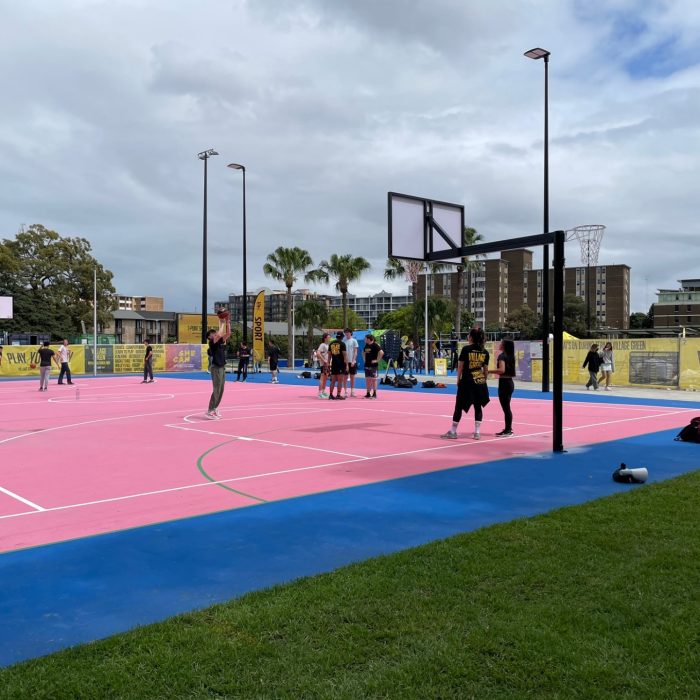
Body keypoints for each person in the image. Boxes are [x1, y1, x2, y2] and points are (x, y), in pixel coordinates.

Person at [441, 327, 490, 440]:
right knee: (478, 407)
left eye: (469, 335)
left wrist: (458, 379)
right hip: (479, 381)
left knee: (459, 406)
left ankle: (453, 431)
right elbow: (486, 370)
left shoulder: (466, 349)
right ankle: (477, 432)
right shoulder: (485, 352)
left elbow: (460, 366)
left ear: (471, 337)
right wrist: (484, 380)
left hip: (467, 381)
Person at [487, 339, 516, 436]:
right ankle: (508, 428)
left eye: (502, 343)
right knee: (507, 407)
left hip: (504, 383)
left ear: (504, 346)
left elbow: (502, 370)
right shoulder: (511, 356)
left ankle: (508, 430)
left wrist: (488, 371)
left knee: (506, 408)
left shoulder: (502, 356)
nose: (500, 344)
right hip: (510, 382)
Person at [206, 311, 231, 418]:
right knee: (216, 389)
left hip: (222, 367)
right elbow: (219, 333)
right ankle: (210, 410)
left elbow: (228, 333)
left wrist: (228, 322)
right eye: (212, 333)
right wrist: (222, 322)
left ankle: (215, 407)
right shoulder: (212, 342)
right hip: (216, 368)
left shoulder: (219, 341)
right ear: (209, 337)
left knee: (221, 389)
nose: (214, 333)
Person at [327, 331, 348, 400]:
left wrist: (328, 363)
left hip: (334, 364)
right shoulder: (342, 344)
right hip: (340, 365)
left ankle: (330, 394)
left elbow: (329, 355)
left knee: (333, 380)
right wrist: (347, 365)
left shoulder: (331, 343)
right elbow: (345, 355)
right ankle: (338, 395)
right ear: (342, 337)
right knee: (340, 381)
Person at [362, 333, 384, 399]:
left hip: (374, 366)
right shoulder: (366, 345)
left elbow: (381, 352)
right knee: (367, 379)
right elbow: (363, 352)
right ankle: (368, 393)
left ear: (369, 339)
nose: (364, 340)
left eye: (365, 339)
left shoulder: (375, 345)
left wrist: (377, 360)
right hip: (367, 364)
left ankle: (374, 393)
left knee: (374, 379)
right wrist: (364, 359)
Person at [343, 328, 359, 397]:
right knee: (345, 377)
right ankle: (345, 391)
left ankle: (352, 391)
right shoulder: (343, 340)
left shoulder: (354, 341)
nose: (346, 334)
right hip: (345, 362)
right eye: (345, 333)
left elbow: (355, 352)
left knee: (352, 377)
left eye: (347, 332)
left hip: (352, 361)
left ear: (350, 333)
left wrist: (353, 361)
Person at [316, 332, 330, 399]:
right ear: (325, 338)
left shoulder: (328, 345)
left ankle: (323, 391)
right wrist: (324, 360)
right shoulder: (322, 345)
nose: (329, 338)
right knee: (322, 378)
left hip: (327, 364)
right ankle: (320, 393)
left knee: (325, 378)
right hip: (324, 364)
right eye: (328, 337)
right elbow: (318, 353)